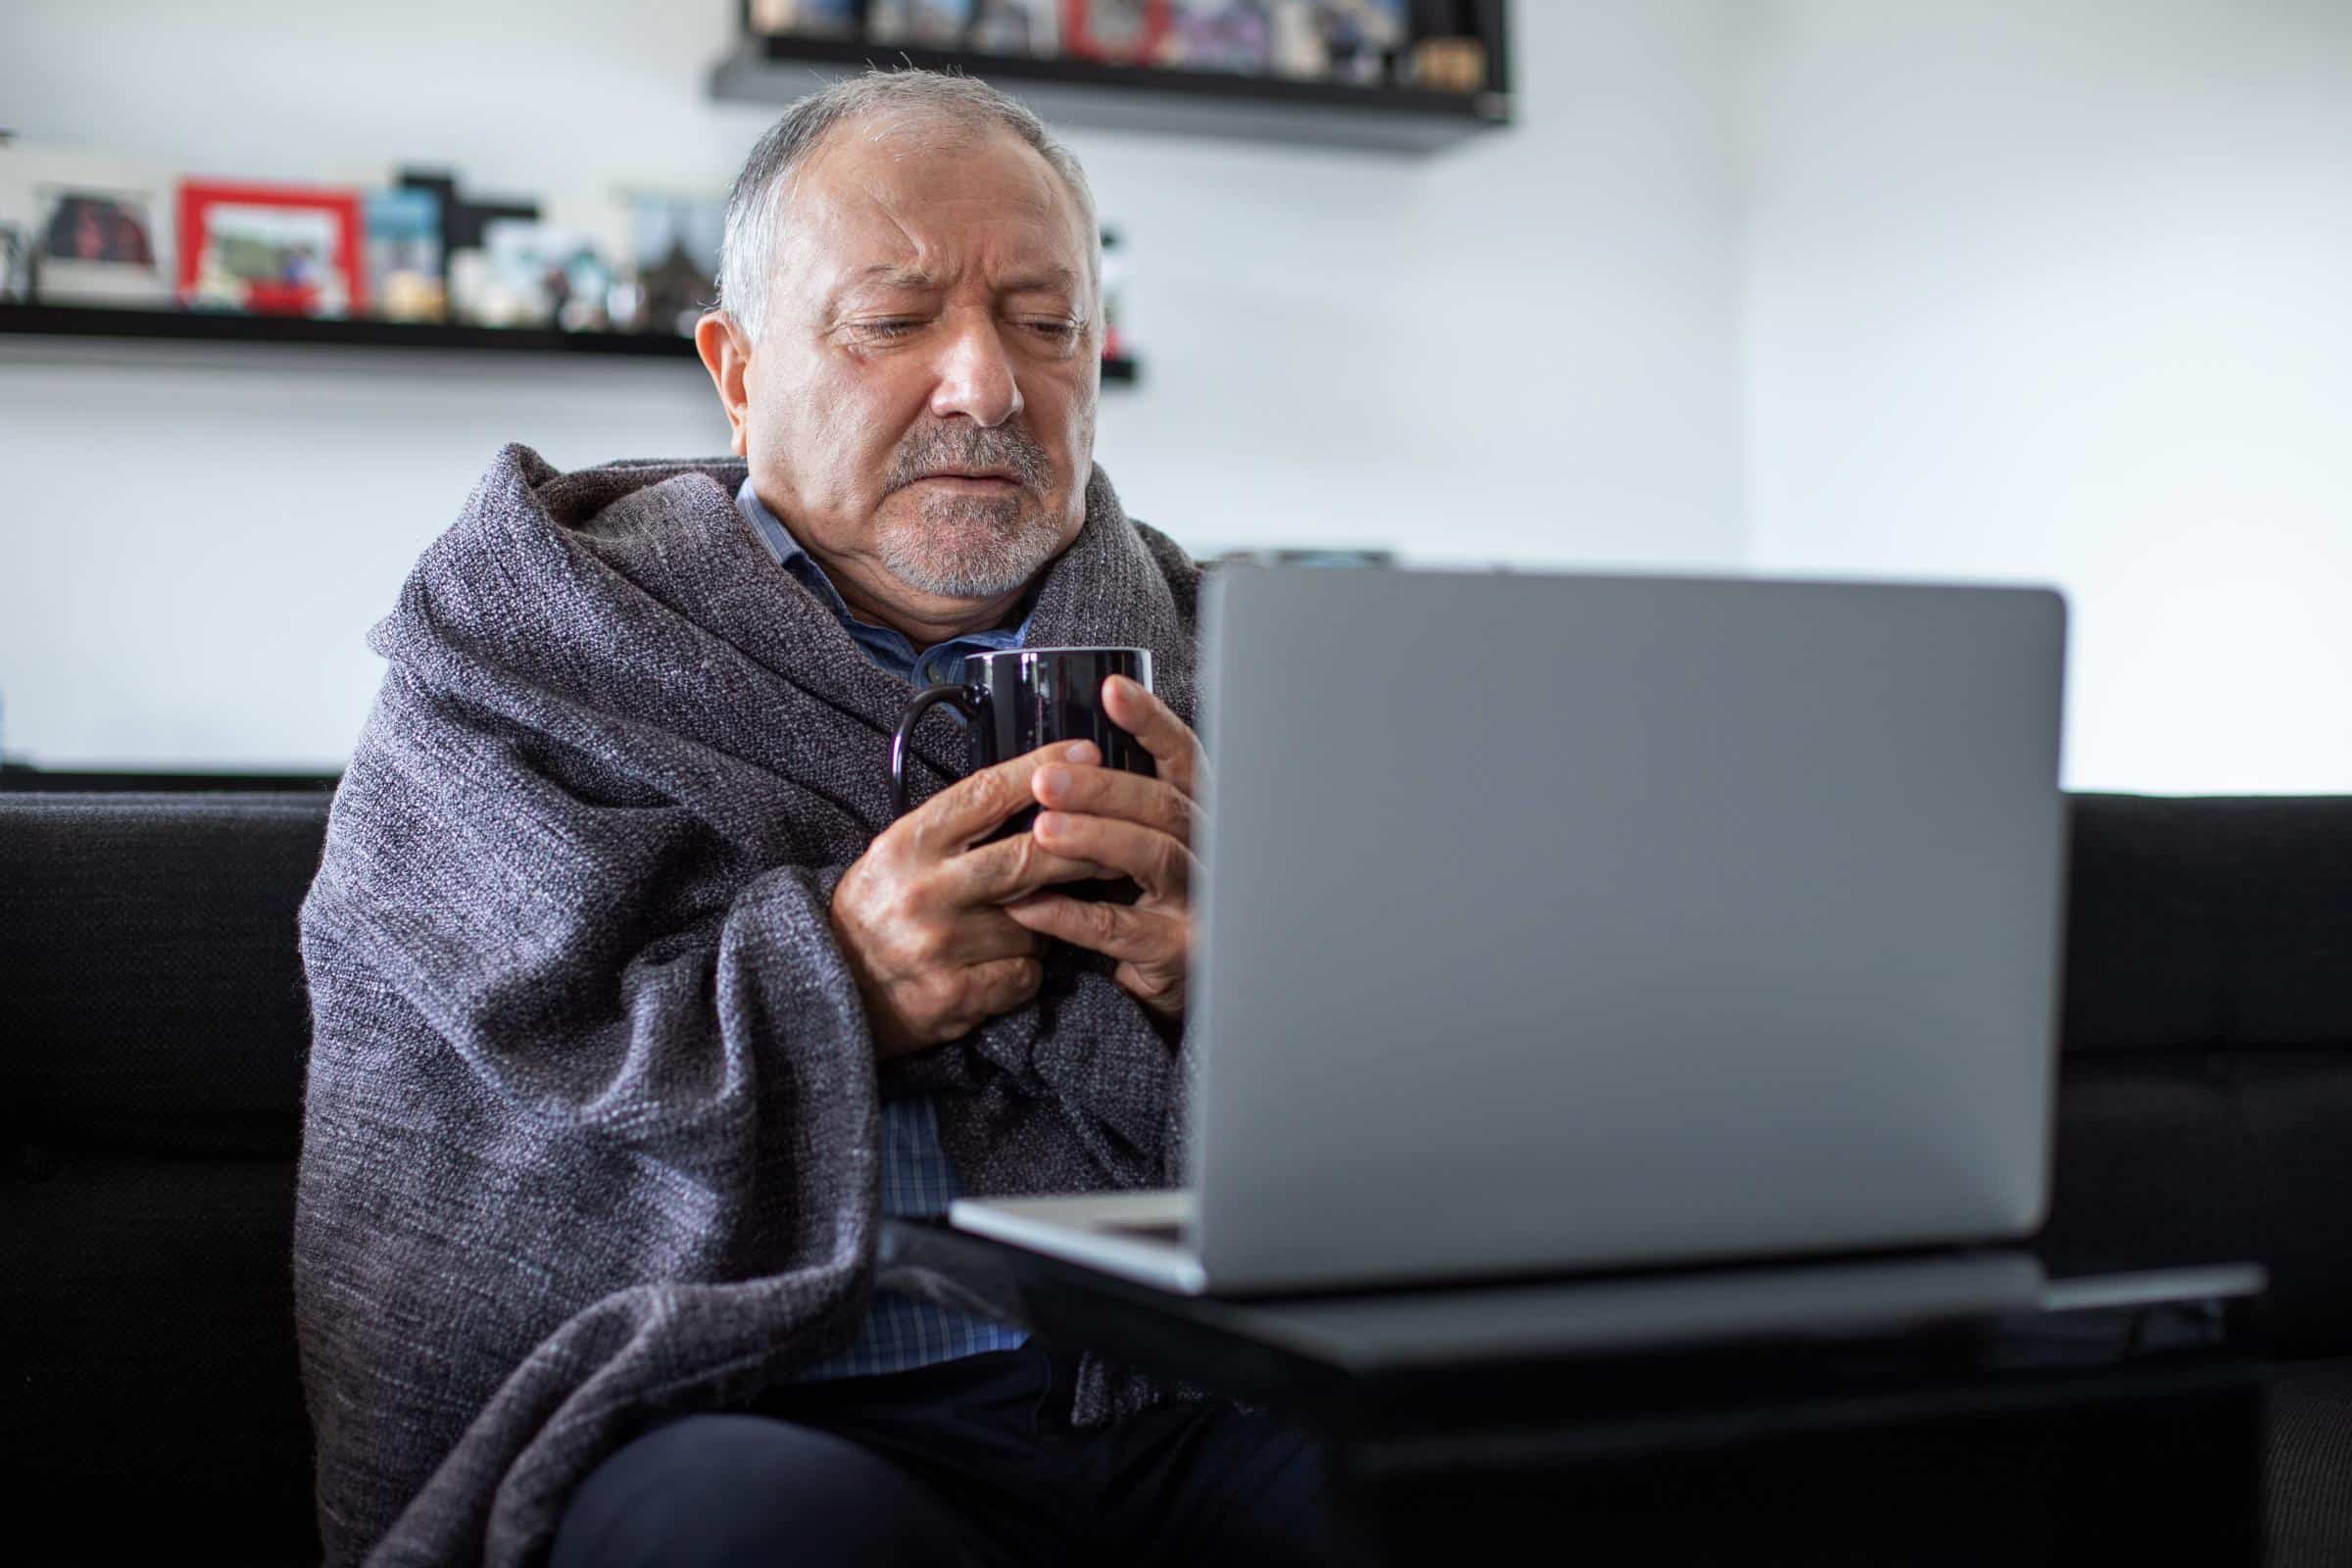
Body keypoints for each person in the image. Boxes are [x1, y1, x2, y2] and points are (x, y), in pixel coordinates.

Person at [293, 70, 1343, 1567]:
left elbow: (1429, 1122)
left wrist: (1238, 977)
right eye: (895, 321)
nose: (985, 385)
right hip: (733, 1403)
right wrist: (832, 985)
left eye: (1045, 325)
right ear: (737, 369)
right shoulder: (520, 652)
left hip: (1179, 1387)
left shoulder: (1236, 662)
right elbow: (474, 1127)